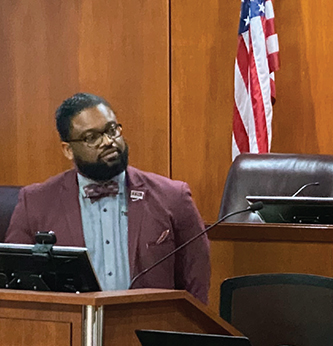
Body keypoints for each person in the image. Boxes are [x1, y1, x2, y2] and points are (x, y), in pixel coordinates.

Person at [6, 93, 210, 303]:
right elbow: (15, 285)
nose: (108, 142)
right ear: (68, 150)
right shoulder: (36, 202)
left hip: (149, 329)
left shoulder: (173, 197)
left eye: (112, 130)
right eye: (91, 137)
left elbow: (196, 282)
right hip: (70, 331)